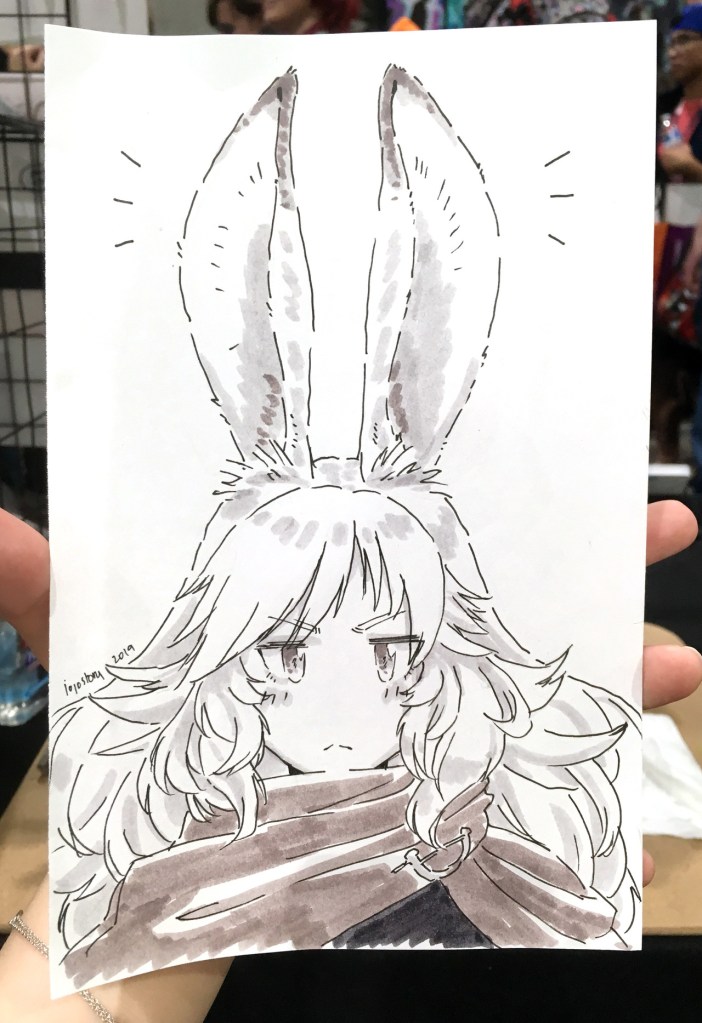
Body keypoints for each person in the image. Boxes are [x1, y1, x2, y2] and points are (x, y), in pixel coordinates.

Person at [0, 500, 699, 1022]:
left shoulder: (498, 865)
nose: (345, 691)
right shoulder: (162, 874)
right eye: (286, 648)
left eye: (390, 647)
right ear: (228, 657)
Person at [658, 5, 702, 183]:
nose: (672, 53)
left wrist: (695, 170)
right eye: (671, 43)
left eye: (684, 40)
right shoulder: (660, 107)